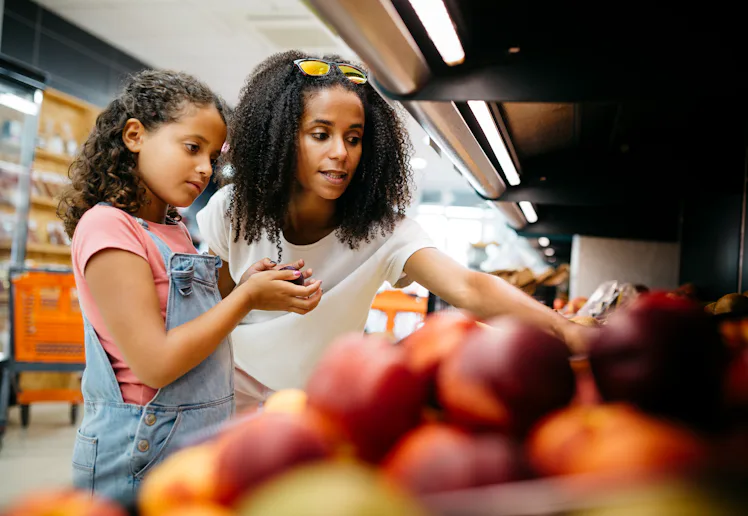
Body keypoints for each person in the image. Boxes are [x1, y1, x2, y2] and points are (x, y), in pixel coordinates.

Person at [196, 50, 592, 413]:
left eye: (354, 138)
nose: (341, 152)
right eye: (321, 134)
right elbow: (206, 316)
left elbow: (469, 286)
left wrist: (565, 330)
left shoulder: (382, 230)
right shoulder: (234, 211)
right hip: (224, 396)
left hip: (316, 408)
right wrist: (249, 295)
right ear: (280, 139)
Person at [59, 69, 322, 505]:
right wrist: (244, 299)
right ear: (134, 135)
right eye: (191, 148)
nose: (205, 169)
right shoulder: (108, 227)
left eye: (214, 158)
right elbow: (155, 364)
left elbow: (191, 323)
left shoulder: (171, 227)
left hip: (189, 442)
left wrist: (246, 281)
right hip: (138, 451)